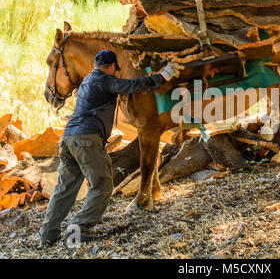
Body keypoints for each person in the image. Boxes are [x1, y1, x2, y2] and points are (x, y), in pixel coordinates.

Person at [39, 50, 184, 245]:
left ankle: (47, 235)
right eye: (116, 68)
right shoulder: (103, 79)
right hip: (86, 140)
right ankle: (79, 228)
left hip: (68, 139)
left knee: (64, 189)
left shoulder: (88, 80)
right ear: (113, 66)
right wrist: (162, 76)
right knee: (103, 185)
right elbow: (131, 86)